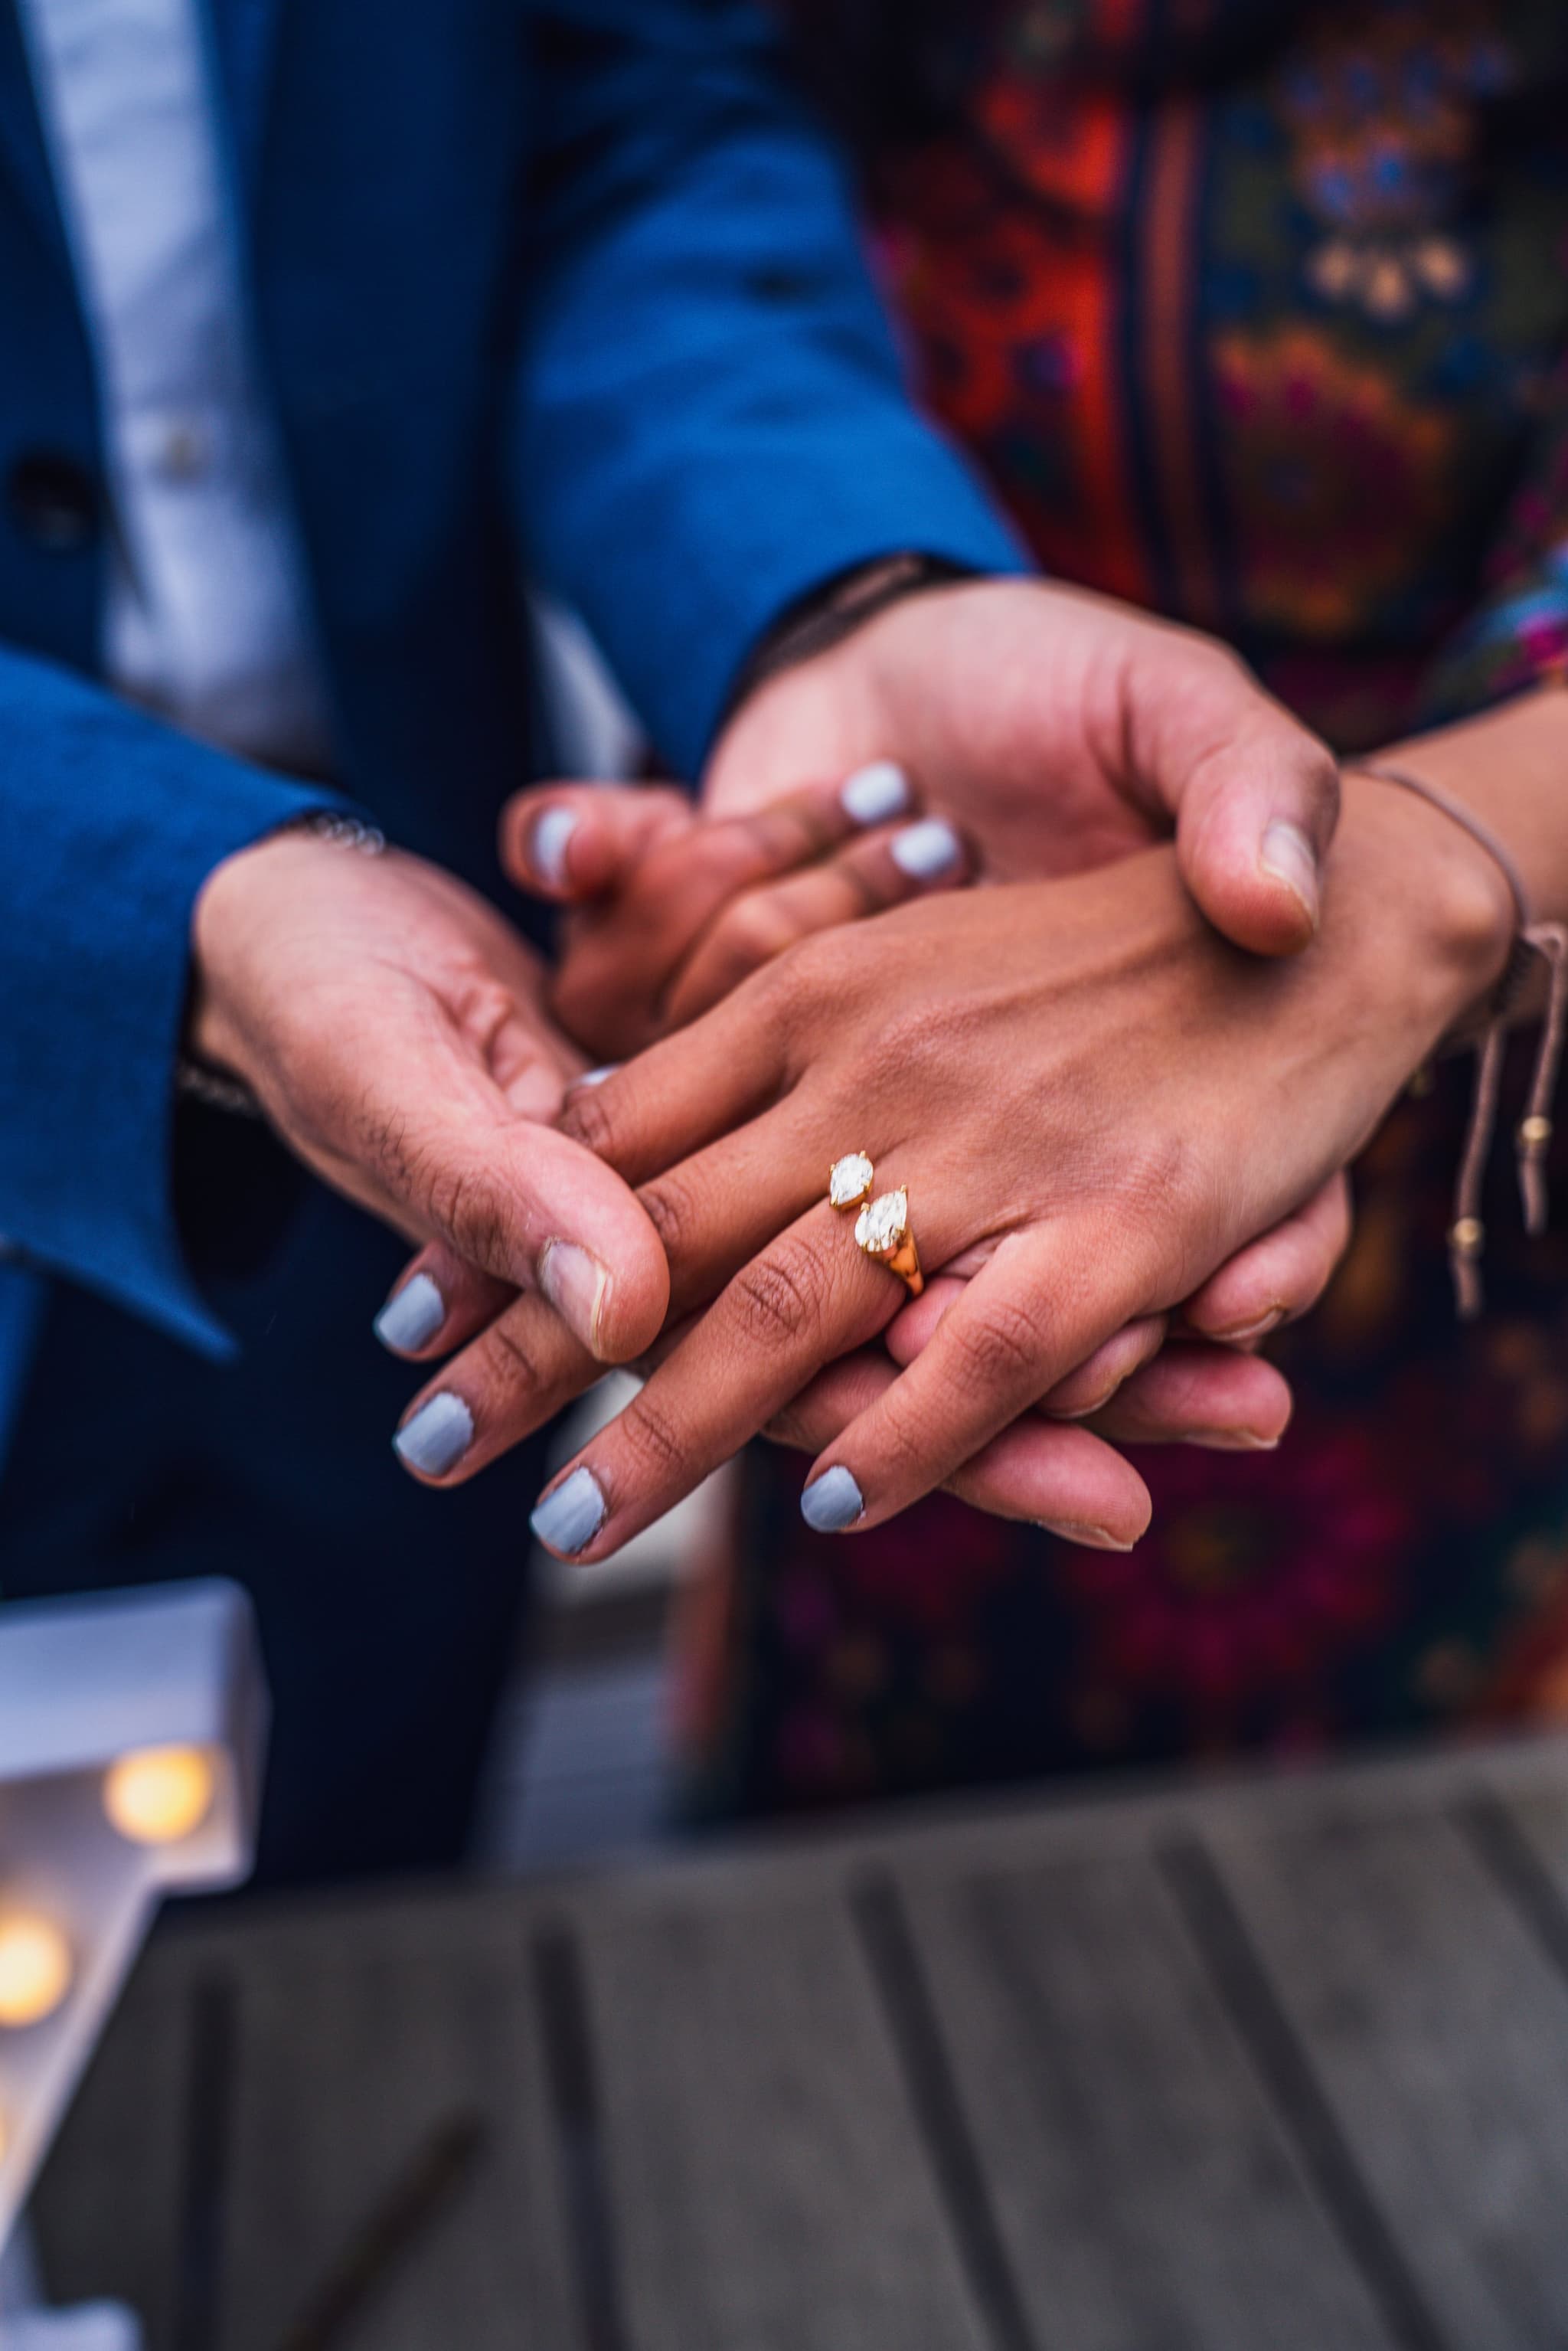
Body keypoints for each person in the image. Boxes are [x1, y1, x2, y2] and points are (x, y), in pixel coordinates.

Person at [0, 0, 1341, 1879]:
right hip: (345, 1002)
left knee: (363, 1940)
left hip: (449, 1073)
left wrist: (829, 594)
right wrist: (156, 906)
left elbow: (627, 123)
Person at [375, 0, 1568, 1820]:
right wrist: (769, 835)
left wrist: (1382, 901)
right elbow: (659, 222)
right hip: (921, 1131)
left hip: (1481, 1217)